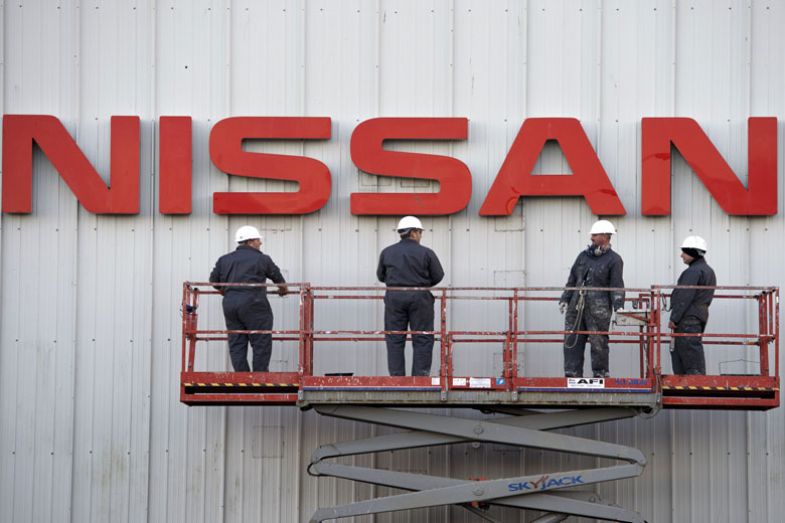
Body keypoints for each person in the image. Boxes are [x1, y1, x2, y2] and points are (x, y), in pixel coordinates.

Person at [210, 225, 288, 372]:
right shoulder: (262, 259)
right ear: (251, 241)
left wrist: (227, 291)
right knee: (260, 341)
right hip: (255, 304)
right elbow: (279, 280)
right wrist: (283, 290)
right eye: (258, 240)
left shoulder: (224, 260)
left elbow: (214, 281)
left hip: (230, 305)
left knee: (237, 341)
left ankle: (242, 378)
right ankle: (259, 378)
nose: (260, 243)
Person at [377, 216, 444, 376]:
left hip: (394, 298)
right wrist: (422, 285)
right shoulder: (426, 252)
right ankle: (420, 379)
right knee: (422, 337)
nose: (420, 236)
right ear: (414, 233)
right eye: (420, 232)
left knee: (394, 338)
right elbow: (438, 275)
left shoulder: (387, 252)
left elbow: (381, 276)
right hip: (420, 298)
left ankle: (397, 380)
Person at [559, 220, 625, 378]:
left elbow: (617, 285)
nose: (591, 238)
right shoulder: (583, 257)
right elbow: (572, 279)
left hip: (599, 308)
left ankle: (600, 374)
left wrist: (618, 306)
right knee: (571, 338)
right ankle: (572, 374)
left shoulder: (614, 260)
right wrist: (565, 298)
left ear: (605, 236)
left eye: (594, 235)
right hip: (576, 305)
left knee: (598, 341)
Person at [668, 236, 716, 375]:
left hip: (688, 318)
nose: (681, 255)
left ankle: (694, 382)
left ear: (693, 252)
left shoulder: (693, 272)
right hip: (699, 315)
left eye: (684, 251)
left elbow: (685, 295)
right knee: (691, 349)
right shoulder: (707, 271)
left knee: (688, 351)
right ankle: (695, 378)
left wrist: (674, 318)